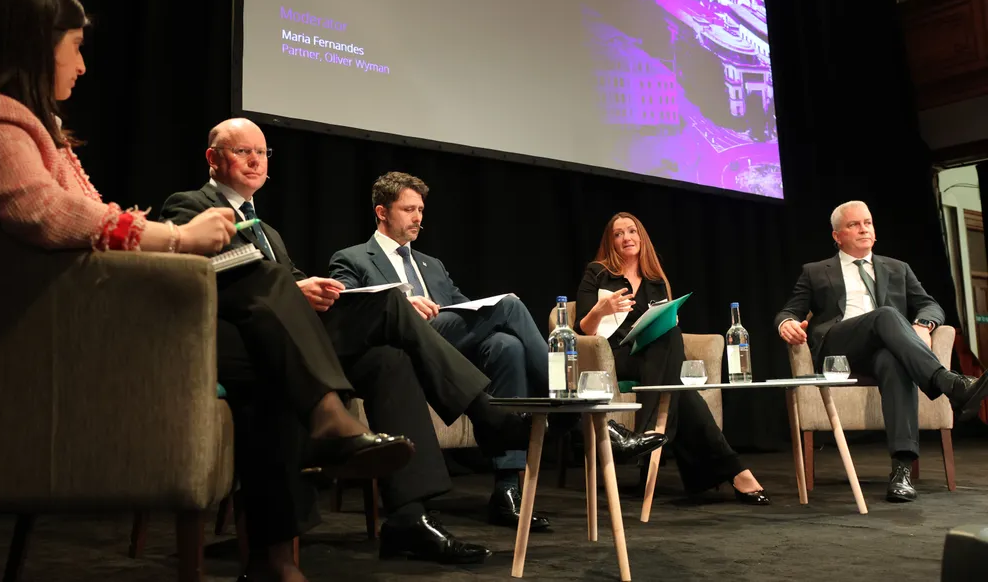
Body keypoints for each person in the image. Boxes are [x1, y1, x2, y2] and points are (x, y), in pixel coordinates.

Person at [0, 0, 414, 582]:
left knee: (270, 351)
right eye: (75, 47)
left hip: (80, 318)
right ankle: (325, 425)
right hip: (50, 340)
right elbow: (51, 217)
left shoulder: (31, 127)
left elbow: (77, 222)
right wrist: (177, 238)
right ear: (34, 41)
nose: (81, 66)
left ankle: (276, 550)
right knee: (260, 286)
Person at [159, 119, 543, 564]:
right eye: (241, 151)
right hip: (243, 344)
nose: (254, 161)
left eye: (261, 153)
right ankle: (488, 414)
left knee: (388, 358)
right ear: (213, 159)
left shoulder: (268, 230)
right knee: (392, 307)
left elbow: (292, 282)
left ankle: (409, 518)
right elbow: (199, 276)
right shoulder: (188, 206)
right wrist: (293, 289)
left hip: (295, 337)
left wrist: (313, 287)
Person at [329, 172, 668, 525]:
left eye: (421, 210)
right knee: (509, 306)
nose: (418, 218)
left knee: (506, 345)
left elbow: (464, 309)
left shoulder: (432, 265)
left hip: (448, 348)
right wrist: (402, 303)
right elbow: (349, 311)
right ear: (382, 212)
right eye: (408, 209)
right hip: (403, 348)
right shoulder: (353, 258)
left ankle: (506, 491)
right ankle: (586, 414)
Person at [775, 200, 987, 503]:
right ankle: (949, 383)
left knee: (893, 361)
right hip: (840, 348)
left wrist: (924, 324)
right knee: (886, 315)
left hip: (886, 347)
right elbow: (789, 311)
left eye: (868, 223)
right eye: (854, 225)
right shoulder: (815, 272)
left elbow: (930, 305)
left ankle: (901, 470)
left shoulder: (898, 269)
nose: (864, 229)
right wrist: (786, 324)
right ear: (837, 236)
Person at [575, 212, 770, 505]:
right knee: (677, 377)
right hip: (613, 357)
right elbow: (583, 330)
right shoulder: (598, 273)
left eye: (632, 231)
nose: (626, 238)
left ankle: (650, 434)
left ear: (641, 238)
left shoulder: (655, 281)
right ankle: (735, 472)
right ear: (610, 242)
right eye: (618, 234)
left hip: (651, 358)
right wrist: (602, 309)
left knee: (670, 338)